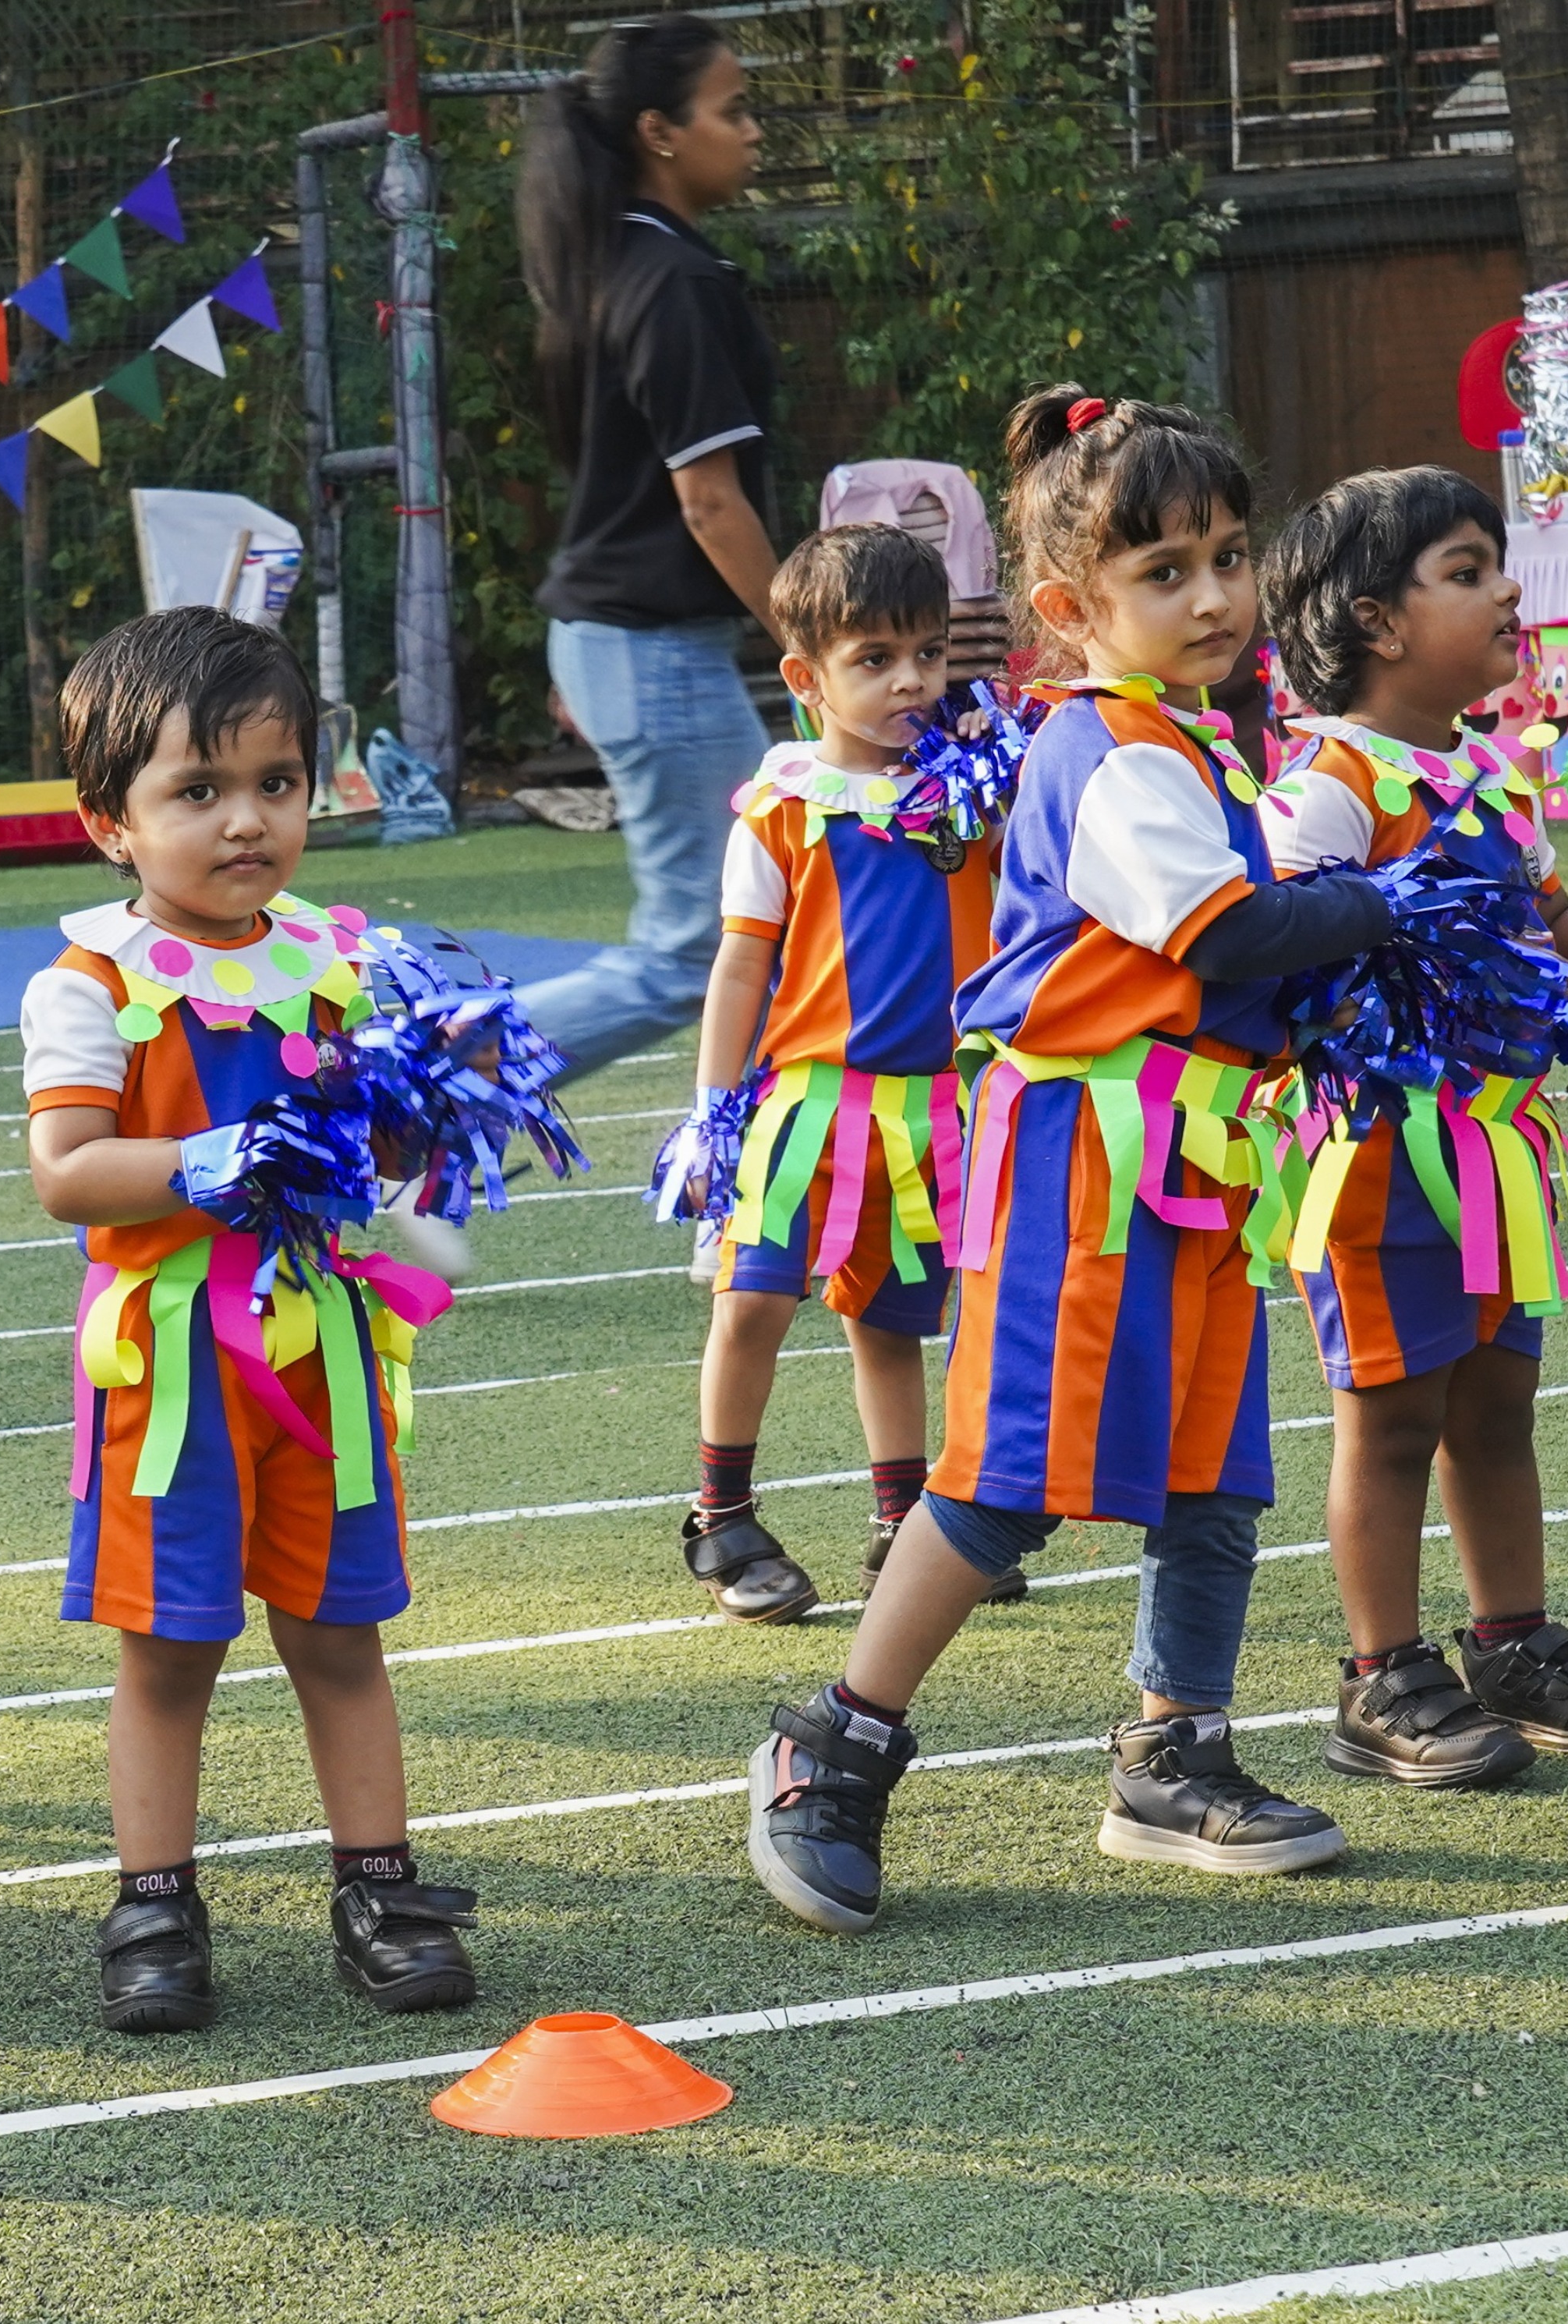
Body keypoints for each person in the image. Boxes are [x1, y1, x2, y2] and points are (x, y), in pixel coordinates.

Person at [743, 389, 1389, 1936]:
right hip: (1077, 1160)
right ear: (1065, 608)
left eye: (1227, 556)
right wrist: (1384, 904)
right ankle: (831, 1743)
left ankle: (1172, 1747)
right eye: (1162, 568)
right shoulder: (1104, 751)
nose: (1215, 594)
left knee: (1211, 1469)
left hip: (1192, 1158)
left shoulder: (1188, 744)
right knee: (1008, 1474)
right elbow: (1226, 930)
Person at [20, 607, 481, 2034]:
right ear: (111, 821)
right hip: (169, 1366)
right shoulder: (87, 981)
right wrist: (203, 1166)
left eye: (275, 784)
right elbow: (66, 1173)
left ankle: (381, 1887)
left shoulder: (338, 961)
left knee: (342, 1634)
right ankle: (153, 1899)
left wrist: (419, 1122)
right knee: (169, 1648)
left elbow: (384, 1159)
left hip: (324, 1351)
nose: (245, 823)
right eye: (197, 791)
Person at [1257, 466, 1568, 1788]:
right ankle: (1378, 1677)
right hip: (1381, 1155)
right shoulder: (1328, 783)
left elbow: (1551, 927)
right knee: (1389, 1418)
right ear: (1376, 621)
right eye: (1466, 569)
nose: (1508, 589)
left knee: (1499, 1405)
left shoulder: (1491, 776)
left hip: (1501, 1151)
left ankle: (1509, 1643)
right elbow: (1274, 938)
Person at [657, 524, 998, 1628]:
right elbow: (741, 962)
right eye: (874, 658)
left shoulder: (973, 792)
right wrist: (713, 1114)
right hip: (805, 1109)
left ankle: (905, 1516)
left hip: (937, 1112)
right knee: (751, 1303)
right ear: (806, 677)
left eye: (928, 653)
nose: (910, 680)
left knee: (893, 1323)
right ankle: (722, 1515)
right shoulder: (784, 807)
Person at [508, 14, 780, 1082]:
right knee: (700, 949)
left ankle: (783, 1195)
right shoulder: (667, 282)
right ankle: (444, 1094)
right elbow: (709, 503)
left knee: (766, 925)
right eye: (734, 109)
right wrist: (810, 639)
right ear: (661, 132)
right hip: (649, 650)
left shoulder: (632, 261)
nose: (752, 132)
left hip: (632, 646)